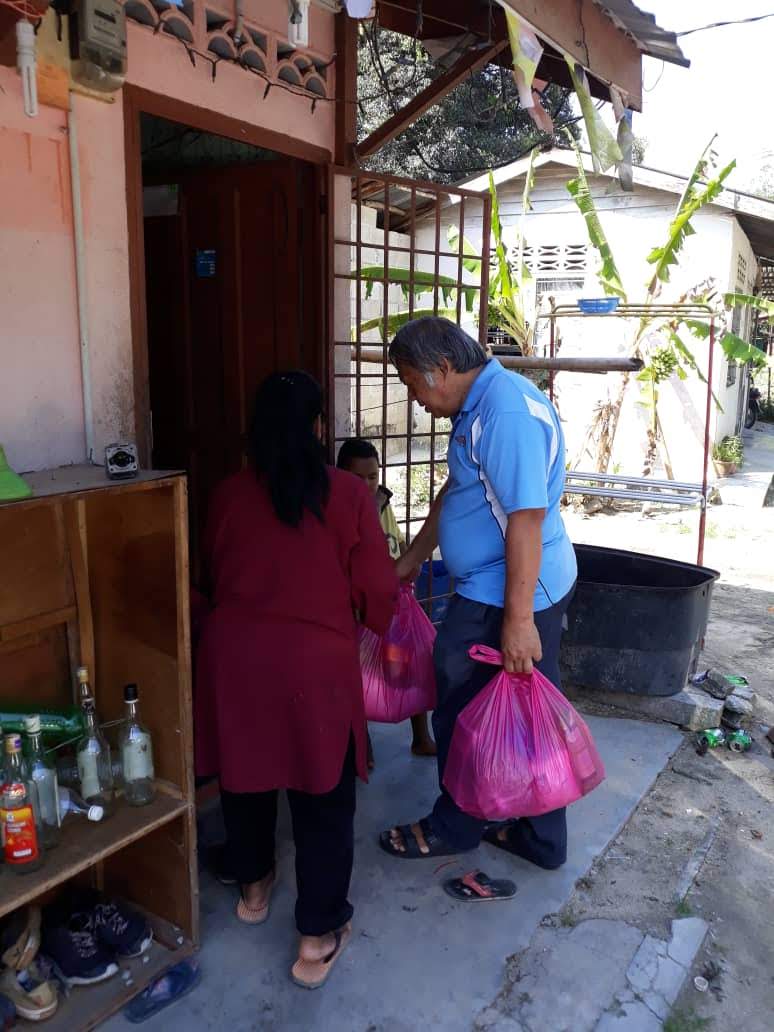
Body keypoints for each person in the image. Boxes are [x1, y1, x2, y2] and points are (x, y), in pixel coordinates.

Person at [195, 371, 397, 988]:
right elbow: (378, 590)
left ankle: (254, 891)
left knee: (246, 778)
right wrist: (372, 624)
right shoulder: (348, 494)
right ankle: (316, 939)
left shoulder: (228, 495)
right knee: (324, 800)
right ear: (317, 427)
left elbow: (210, 575)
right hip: (315, 664)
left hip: (234, 659)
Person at [379, 317, 578, 874]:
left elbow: (525, 520)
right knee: (524, 711)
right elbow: (463, 488)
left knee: (462, 700)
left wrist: (518, 621)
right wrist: (414, 559)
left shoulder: (505, 411)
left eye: (411, 385)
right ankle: (539, 835)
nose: (413, 399)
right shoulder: (481, 404)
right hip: (508, 583)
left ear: (442, 369)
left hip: (509, 589)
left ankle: (457, 825)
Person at [336, 437, 437, 765]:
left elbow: (394, 544)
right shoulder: (339, 509)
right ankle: (361, 746)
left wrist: (411, 561)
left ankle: (421, 737)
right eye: (358, 477)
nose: (366, 485)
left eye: (372, 476)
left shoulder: (382, 503)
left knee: (410, 666)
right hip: (358, 610)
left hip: (393, 602)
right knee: (359, 677)